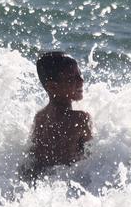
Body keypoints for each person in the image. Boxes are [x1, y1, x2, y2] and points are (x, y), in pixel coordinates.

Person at [21, 52, 93, 180]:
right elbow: (94, 158)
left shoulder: (40, 117)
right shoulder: (80, 119)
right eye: (72, 78)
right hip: (67, 183)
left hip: (42, 180)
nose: (81, 81)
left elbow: (33, 155)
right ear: (53, 87)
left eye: (80, 75)